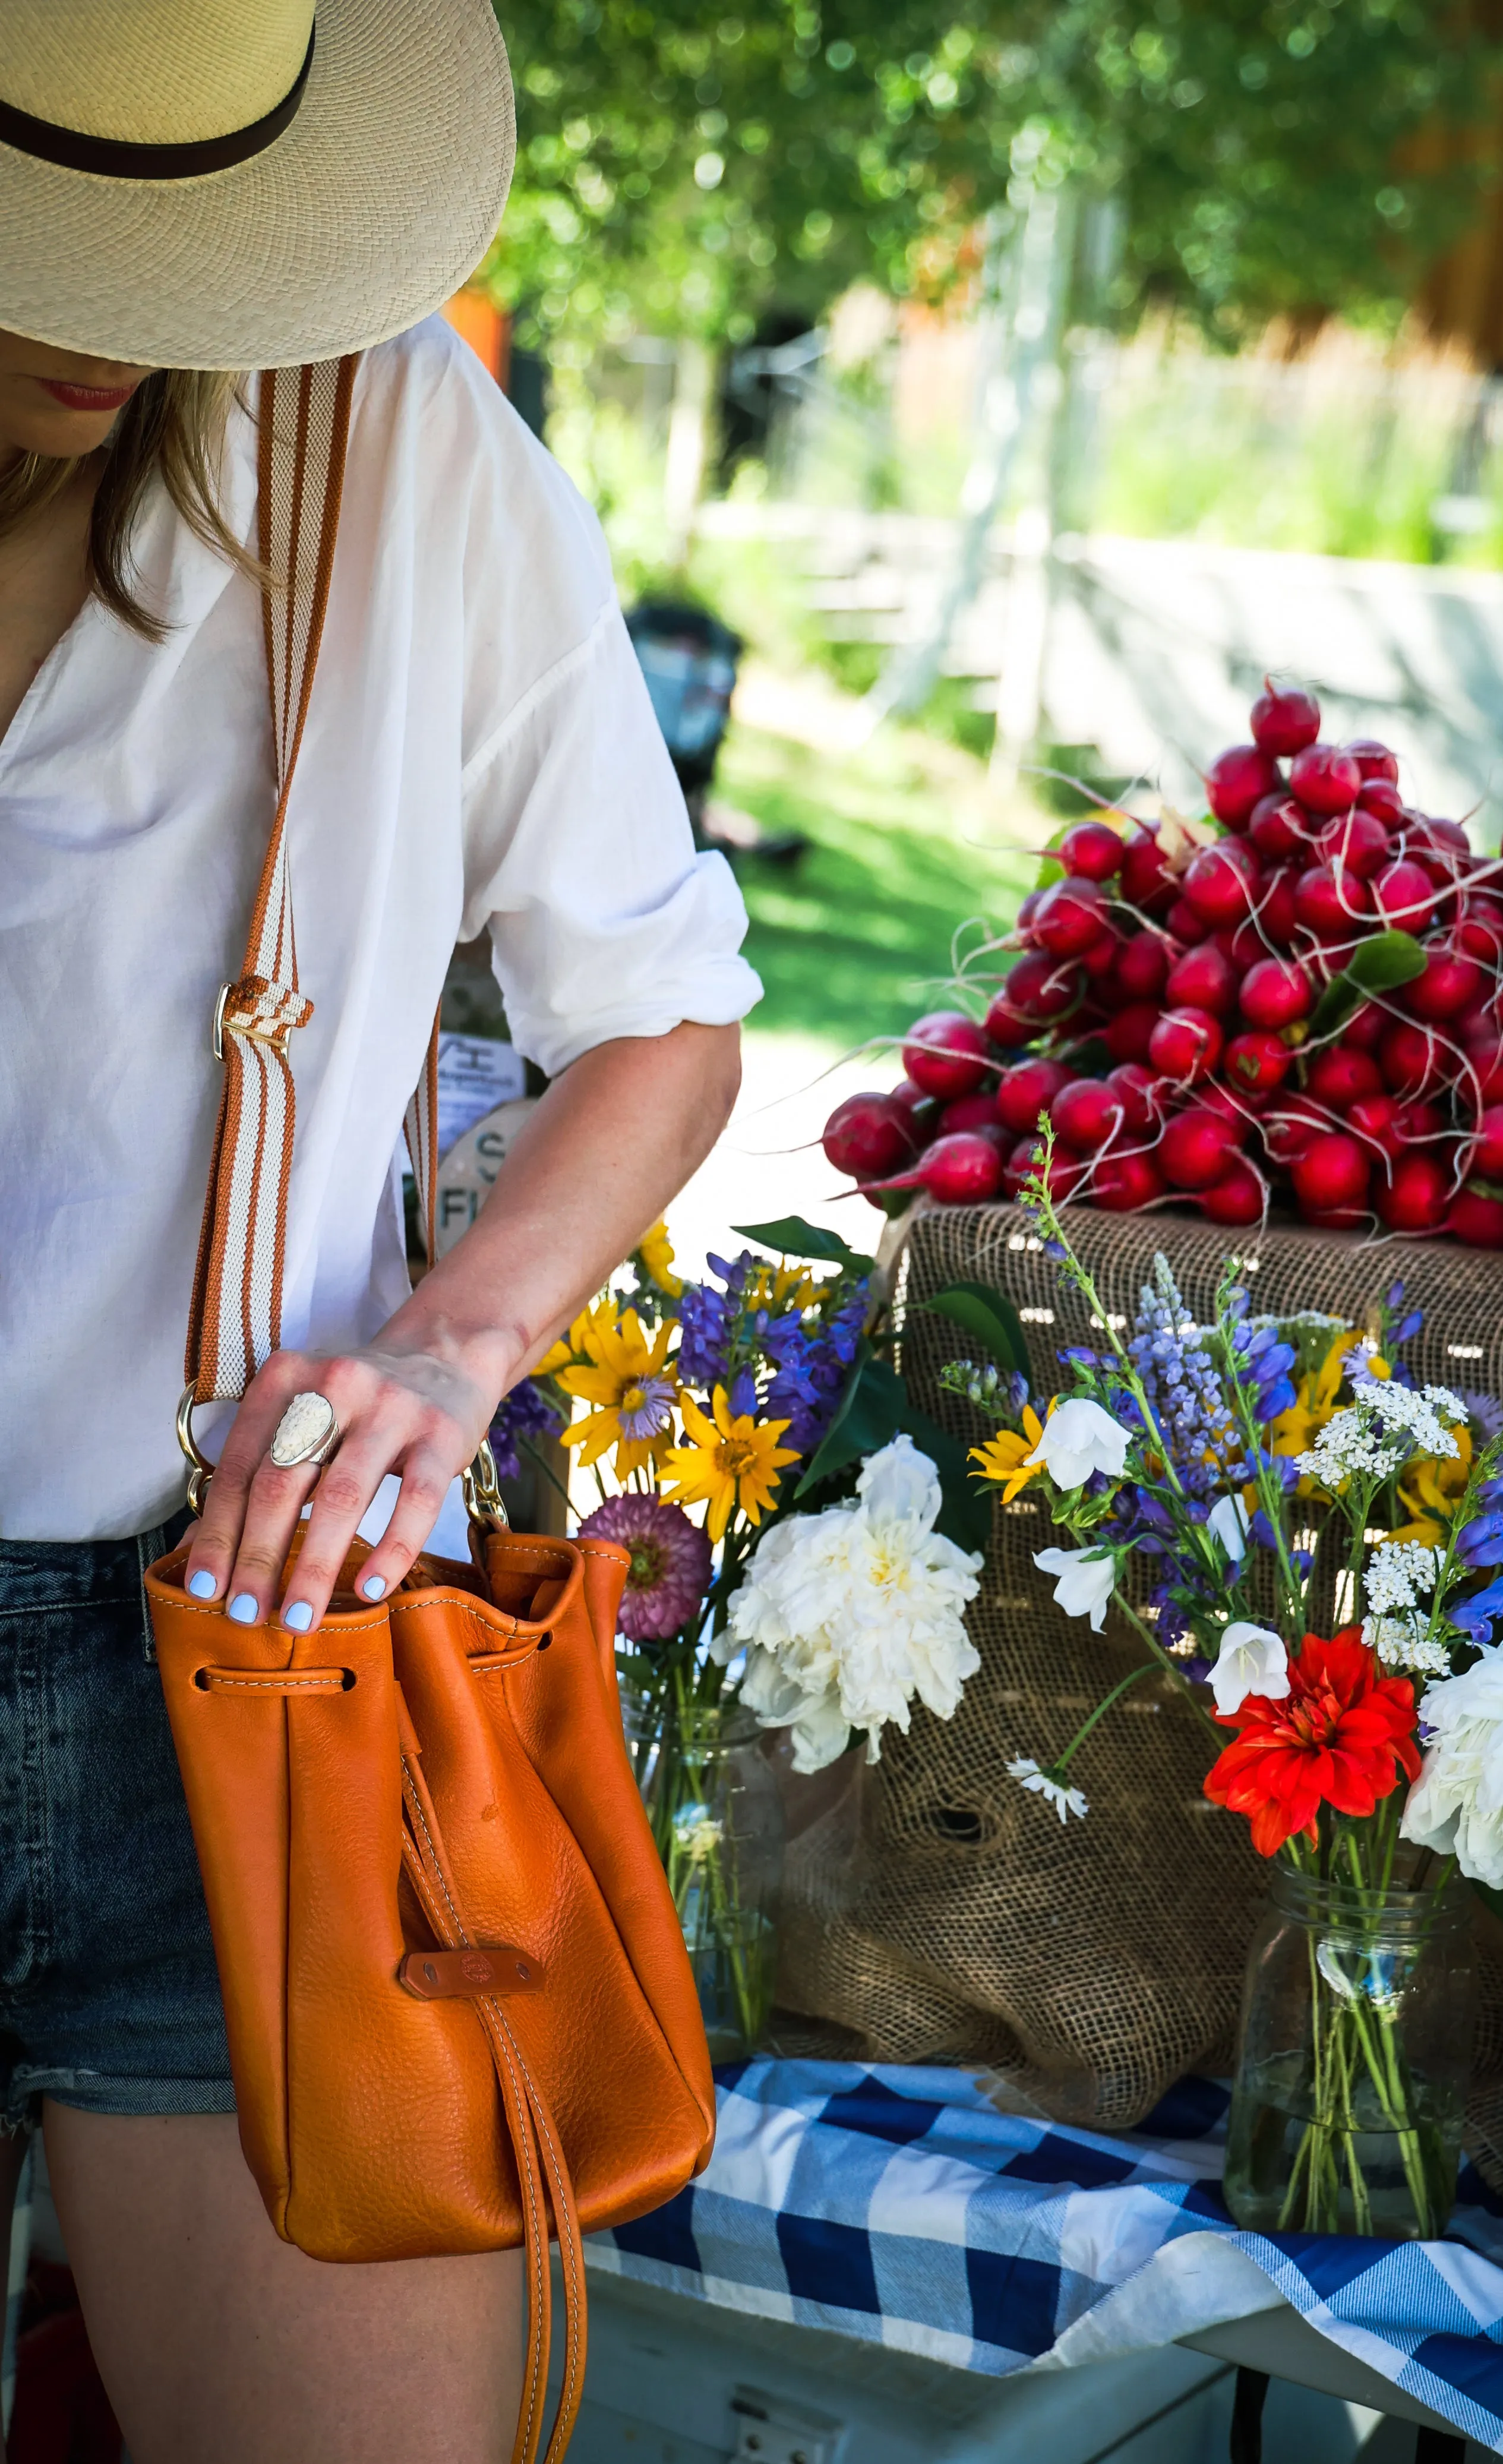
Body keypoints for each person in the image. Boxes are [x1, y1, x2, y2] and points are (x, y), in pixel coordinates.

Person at [0, 7, 758, 2458]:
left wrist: (453, 1349)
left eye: (179, 245)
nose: (116, 329)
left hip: (244, 1672)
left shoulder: (390, 432)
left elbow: (660, 1026)